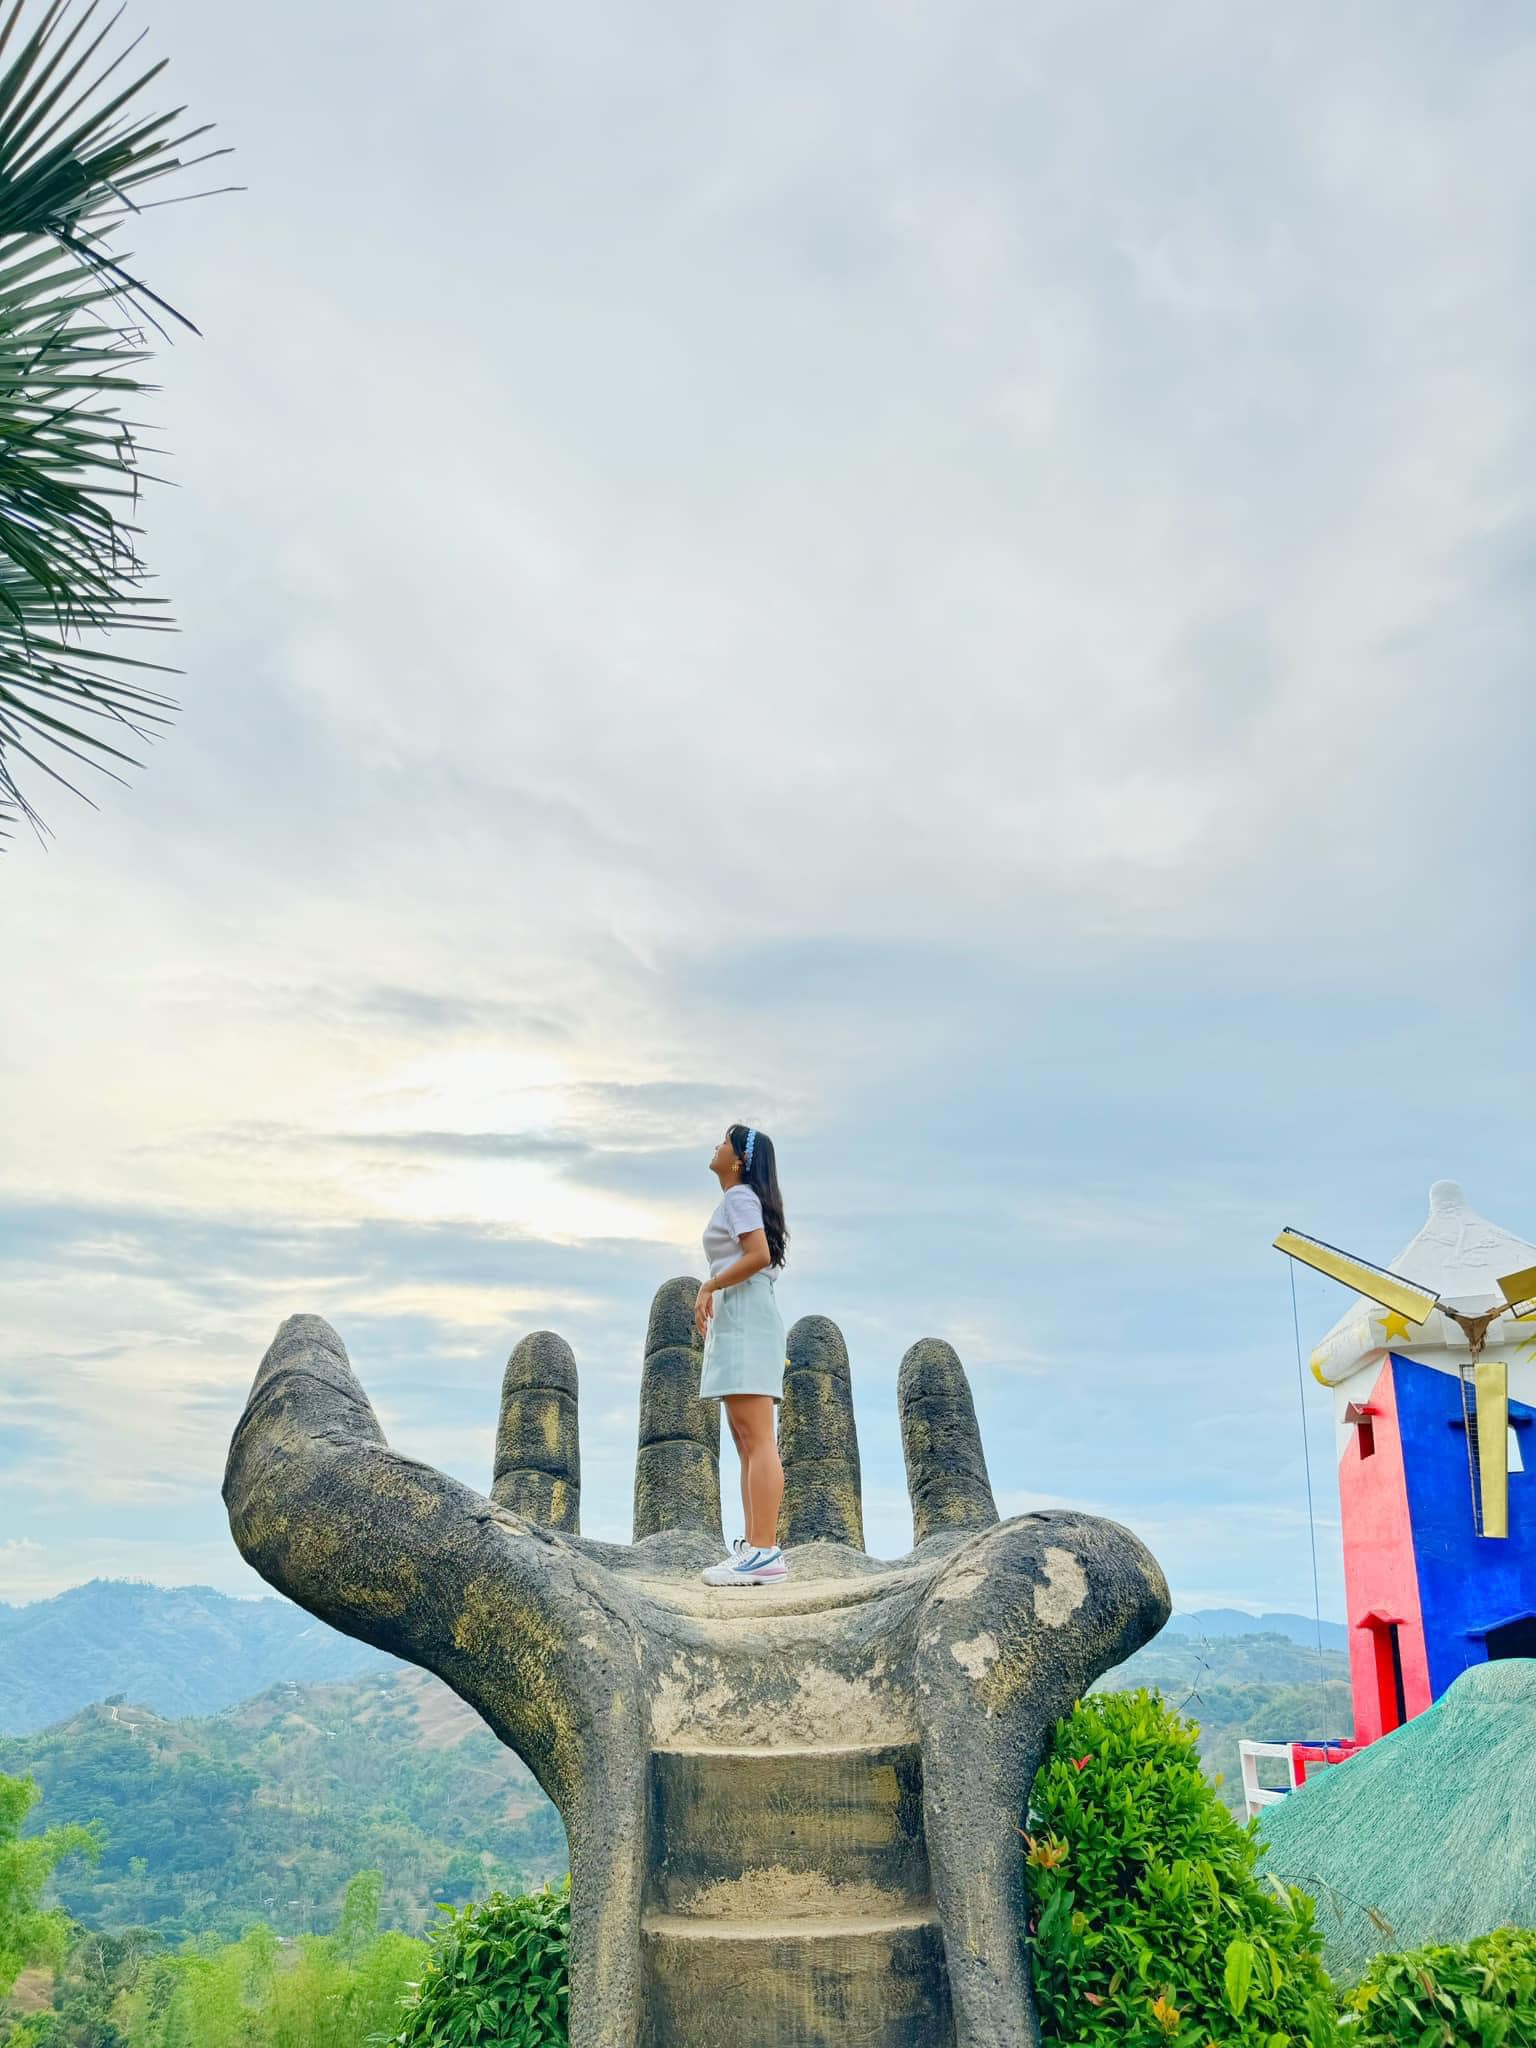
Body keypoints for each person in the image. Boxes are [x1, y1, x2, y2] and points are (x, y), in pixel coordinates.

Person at [694, 1123, 790, 1585]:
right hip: (742, 1315)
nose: (716, 1146)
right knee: (746, 1440)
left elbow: (759, 1254)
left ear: (739, 1161)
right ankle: (754, 1547)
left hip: (747, 1313)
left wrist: (710, 1284)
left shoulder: (739, 1198)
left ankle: (766, 1551)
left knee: (757, 1438)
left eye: (724, 1141)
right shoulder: (738, 1200)